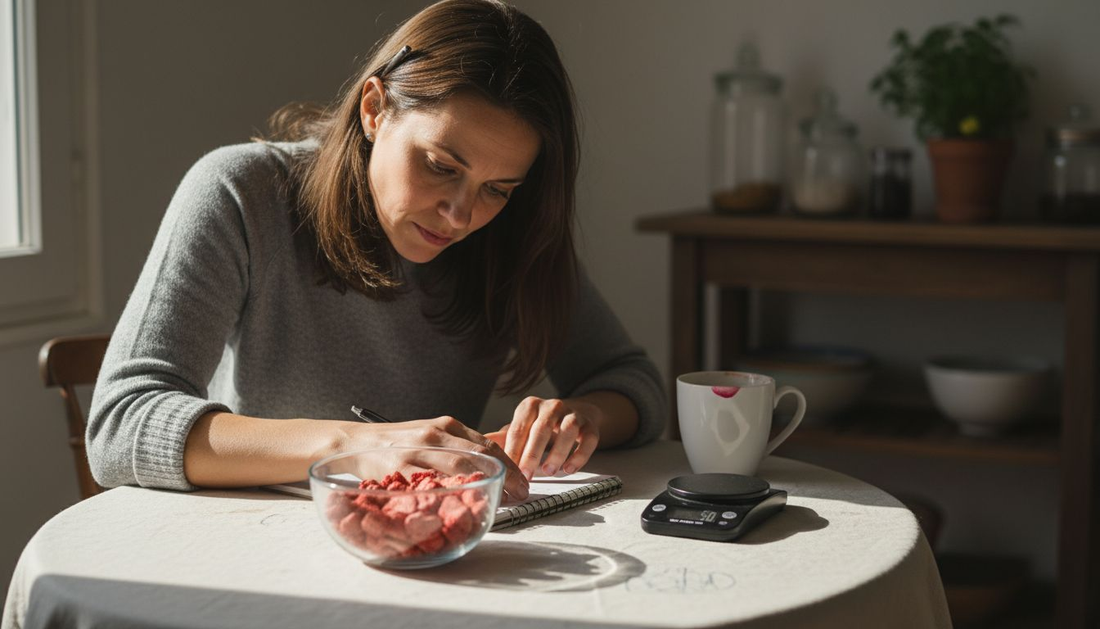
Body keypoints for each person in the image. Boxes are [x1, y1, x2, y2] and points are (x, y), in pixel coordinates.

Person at [86, 0, 665, 502]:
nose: (461, 215)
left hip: (435, 557)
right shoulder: (241, 193)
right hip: (254, 547)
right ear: (373, 109)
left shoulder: (511, 234)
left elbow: (634, 384)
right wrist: (358, 444)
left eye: (498, 189)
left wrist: (582, 417)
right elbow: (120, 425)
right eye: (440, 166)